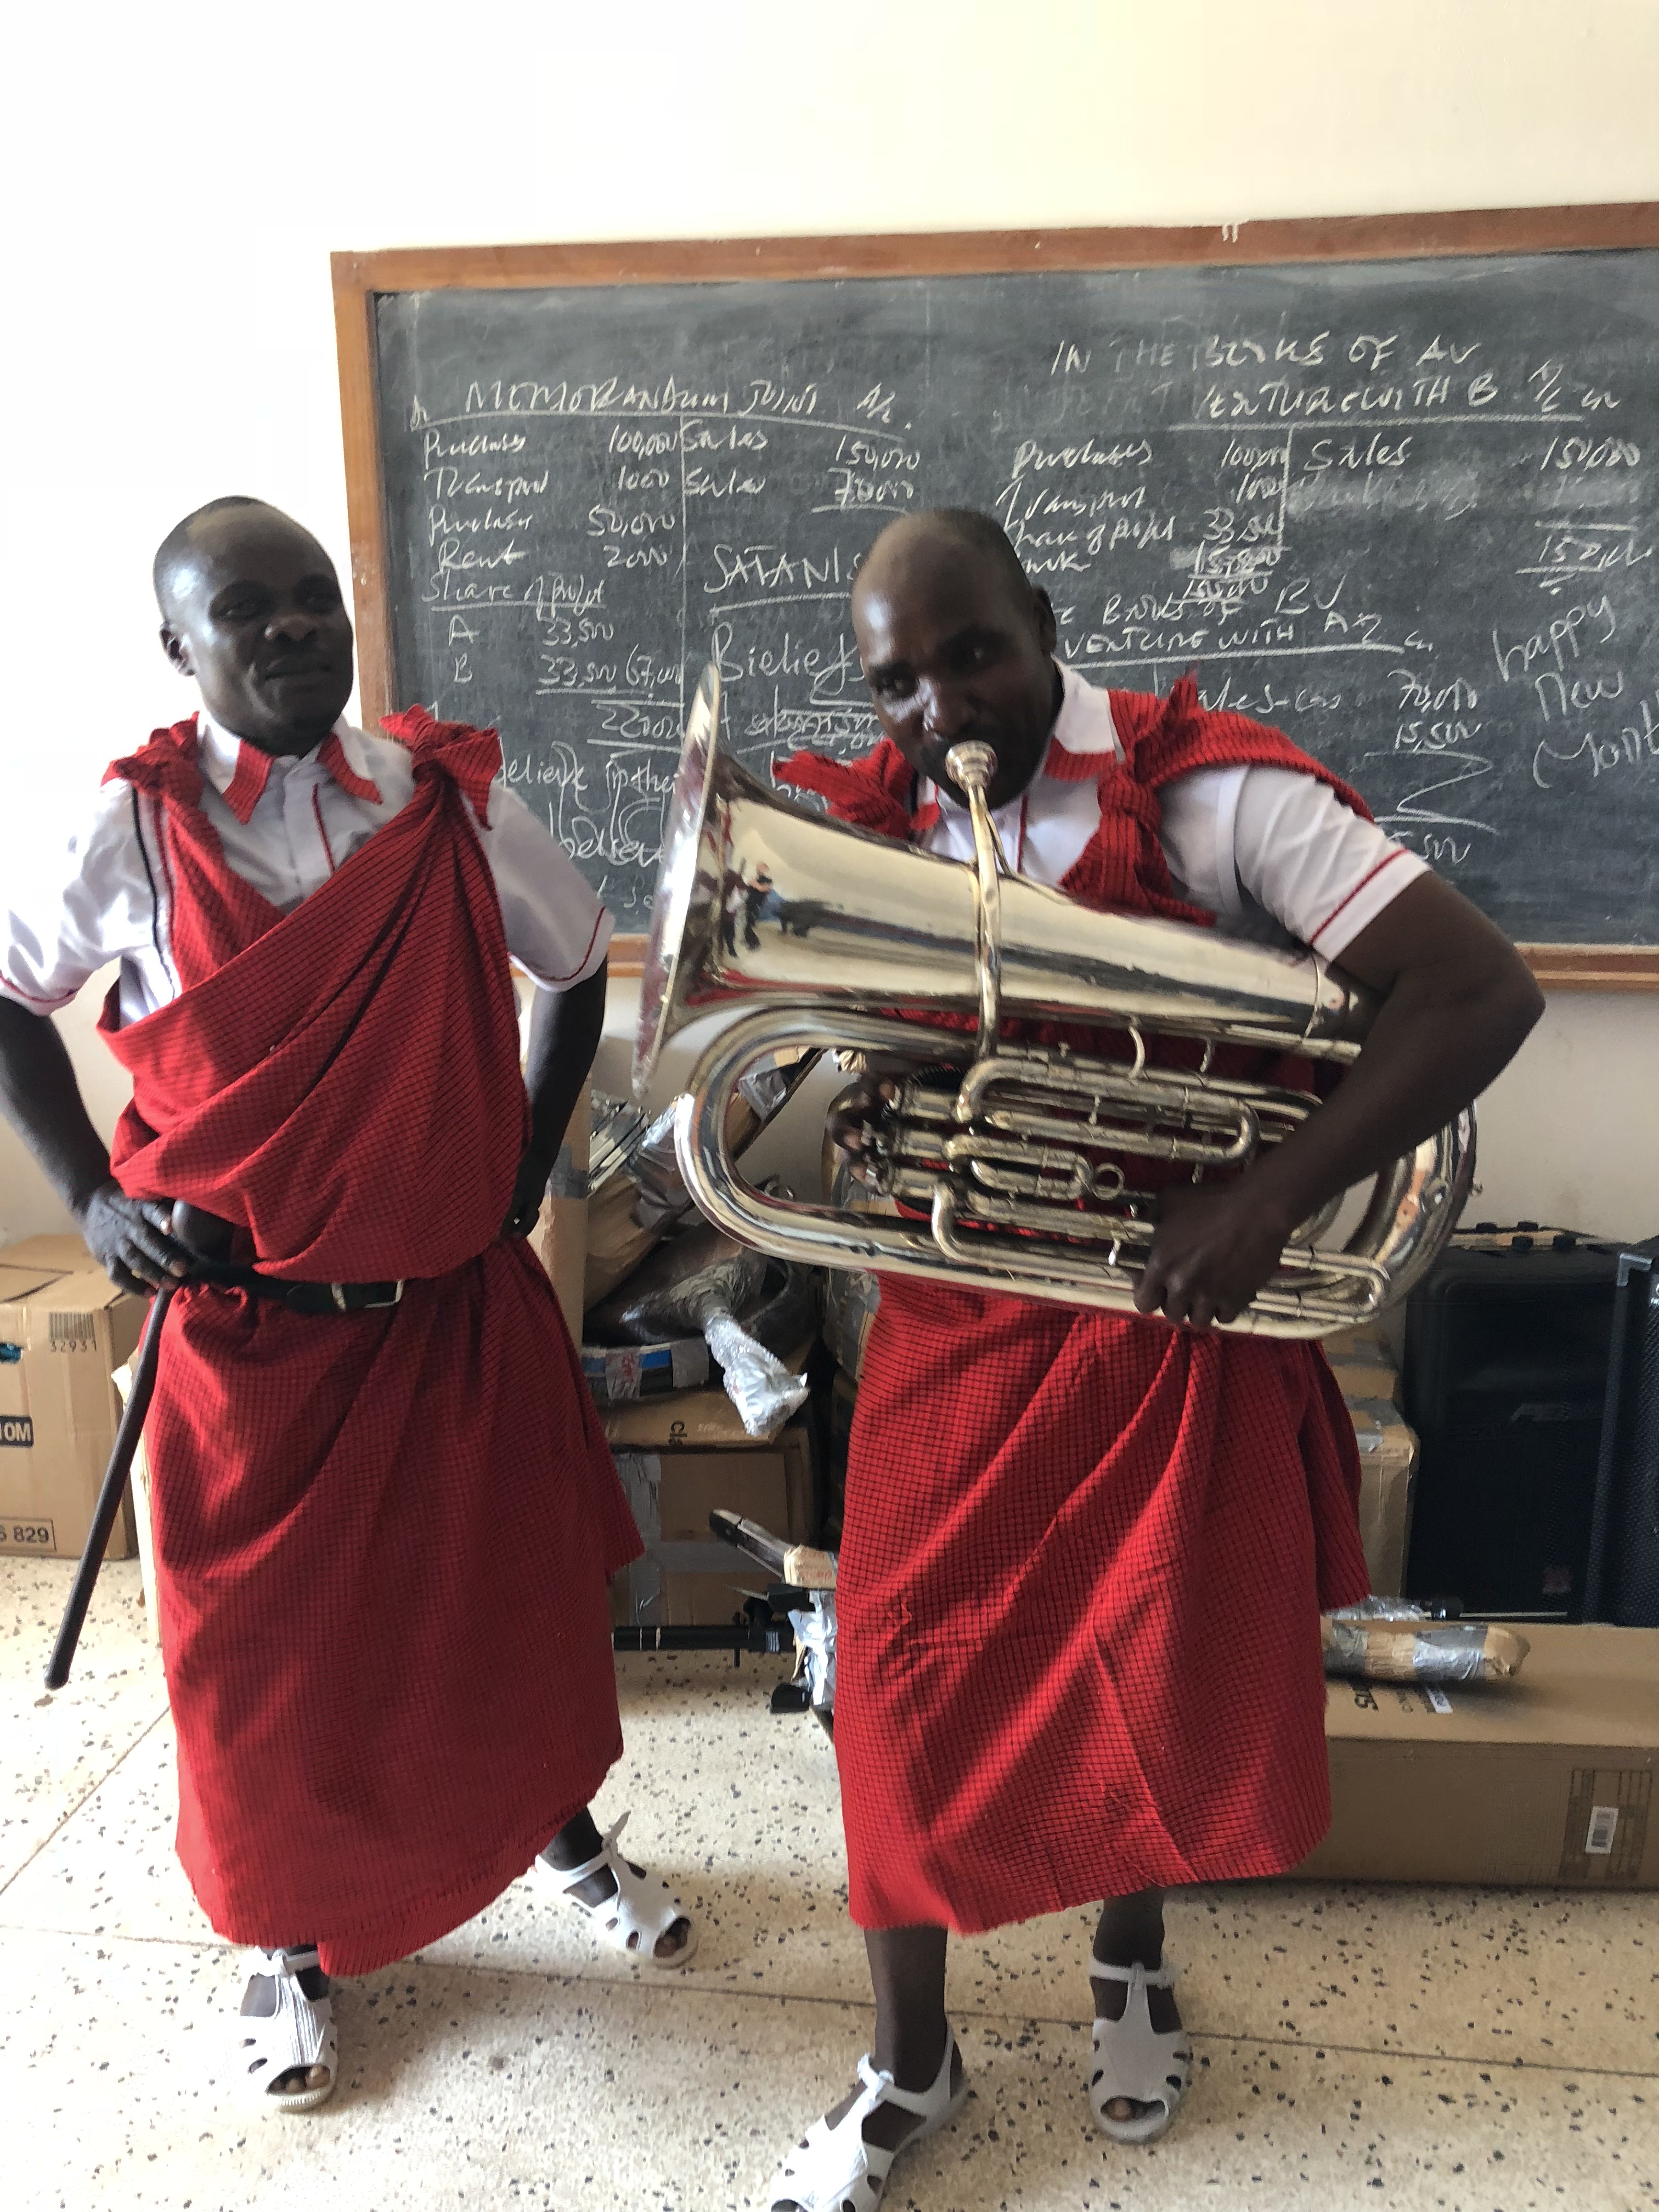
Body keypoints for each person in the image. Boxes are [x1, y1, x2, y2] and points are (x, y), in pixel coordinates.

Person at [761, 509, 1543, 2209]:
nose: (942, 708)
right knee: (893, 1685)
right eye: (898, 682)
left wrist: (1268, 1199)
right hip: (962, 1331)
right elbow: (844, 1072)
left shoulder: (1219, 799)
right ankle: (908, 2061)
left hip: (1173, 1323)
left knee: (1150, 1671)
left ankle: (1127, 1967)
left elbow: (1477, 992)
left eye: (975, 654)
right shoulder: (885, 827)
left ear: (1045, 623)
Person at [0, 497, 696, 2117]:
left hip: (450, 1316)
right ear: (180, 647)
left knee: (503, 1613)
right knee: (261, 1668)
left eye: (314, 595)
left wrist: (520, 1167)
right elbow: (9, 992)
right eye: (248, 608)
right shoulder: (131, 834)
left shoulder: (446, 803)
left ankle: (560, 1841)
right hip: (249, 1343)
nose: (295, 625)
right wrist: (93, 1201)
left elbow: (577, 966)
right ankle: (285, 1940)